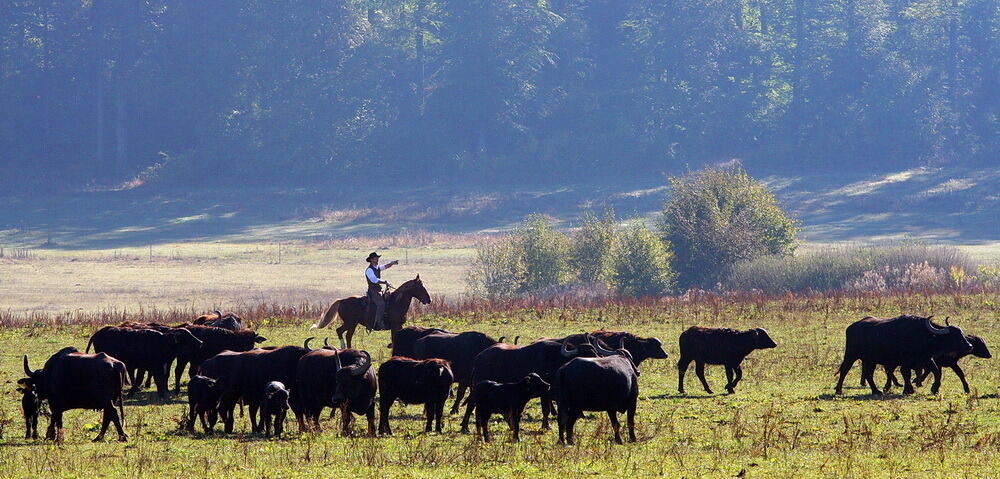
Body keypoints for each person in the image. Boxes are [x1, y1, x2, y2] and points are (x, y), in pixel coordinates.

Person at [365, 252, 398, 329]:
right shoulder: (369, 270)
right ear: (371, 260)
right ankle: (378, 324)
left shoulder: (377, 268)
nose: (377, 259)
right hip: (373, 291)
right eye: (375, 258)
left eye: (377, 258)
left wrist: (392, 263)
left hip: (379, 290)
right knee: (381, 304)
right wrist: (384, 282)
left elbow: (386, 266)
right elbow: (375, 280)